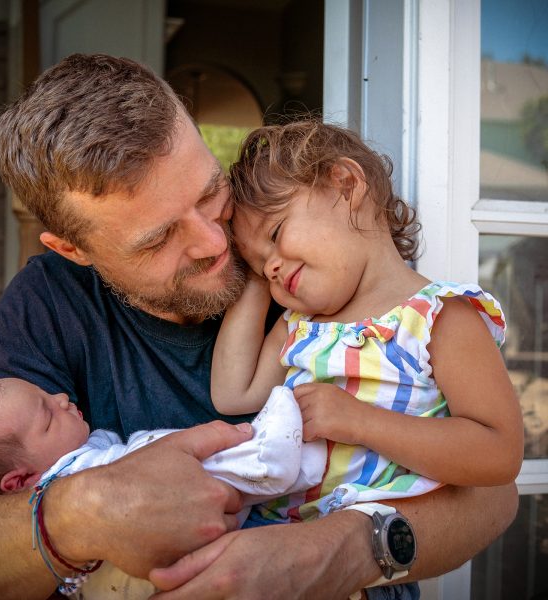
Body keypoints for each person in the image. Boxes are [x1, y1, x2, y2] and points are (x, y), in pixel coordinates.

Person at [0, 53, 517, 600]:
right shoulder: (47, 306)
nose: (217, 244)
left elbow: (493, 496)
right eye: (159, 239)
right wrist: (80, 511)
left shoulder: (311, 272)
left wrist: (337, 550)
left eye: (209, 192)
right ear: (74, 250)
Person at [209, 120, 523, 523]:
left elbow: (498, 454)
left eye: (277, 231)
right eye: (257, 265)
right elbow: (233, 394)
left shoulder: (440, 318)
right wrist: (255, 270)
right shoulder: (302, 325)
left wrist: (359, 422)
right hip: (270, 531)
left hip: (368, 562)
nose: (270, 267)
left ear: (346, 185)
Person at [0, 377, 323, 598]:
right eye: (47, 415)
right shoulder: (70, 473)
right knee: (161, 462)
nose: (61, 398)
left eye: (48, 394)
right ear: (22, 482)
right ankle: (261, 457)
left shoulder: (68, 451)